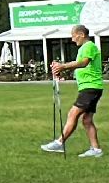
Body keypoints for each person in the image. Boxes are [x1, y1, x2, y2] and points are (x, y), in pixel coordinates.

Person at [43, 25, 104, 158]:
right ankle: (96, 150)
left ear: (81, 34)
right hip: (91, 87)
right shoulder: (84, 48)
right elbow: (80, 67)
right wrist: (61, 72)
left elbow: (84, 63)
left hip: (90, 87)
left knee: (72, 114)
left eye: (73, 36)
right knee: (87, 120)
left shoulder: (89, 46)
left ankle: (59, 142)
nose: (72, 39)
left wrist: (63, 66)